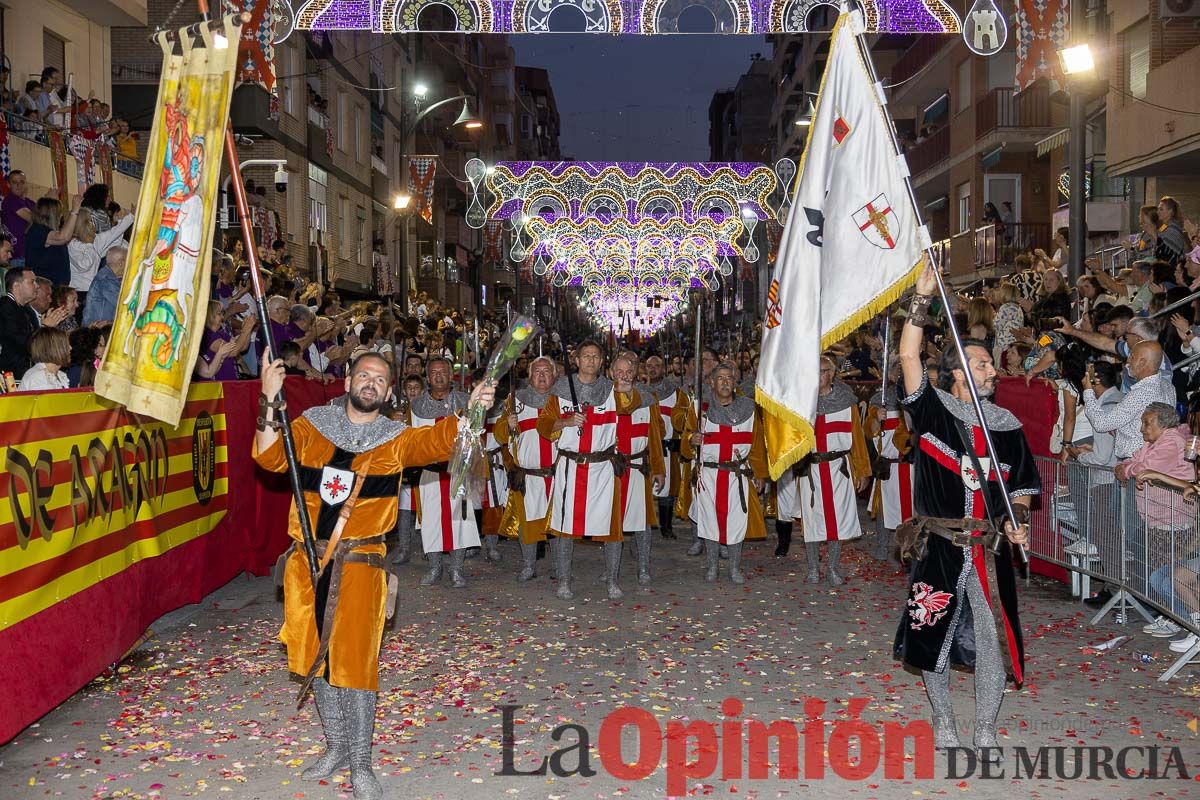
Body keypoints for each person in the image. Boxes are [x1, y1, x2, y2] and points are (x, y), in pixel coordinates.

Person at [254, 350, 494, 800]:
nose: (370, 383)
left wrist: (475, 407)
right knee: (313, 660)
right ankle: (337, 747)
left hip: (362, 566)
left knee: (356, 666)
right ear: (347, 381)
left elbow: (441, 441)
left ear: (388, 393)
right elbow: (268, 458)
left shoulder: (396, 439)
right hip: (307, 564)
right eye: (363, 375)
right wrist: (270, 397)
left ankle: (361, 764)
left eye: (379, 380)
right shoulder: (308, 428)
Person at [894, 264, 1039, 756]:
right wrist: (921, 296)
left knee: (995, 640)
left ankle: (985, 729)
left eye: (992, 365)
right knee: (934, 634)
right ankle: (944, 719)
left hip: (989, 547)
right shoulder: (931, 409)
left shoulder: (1006, 424)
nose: (992, 371)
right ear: (957, 371)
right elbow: (908, 353)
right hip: (938, 546)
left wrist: (1016, 520)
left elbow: (1020, 485)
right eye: (981, 365)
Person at [536, 340, 622, 600]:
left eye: (596, 356)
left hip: (603, 468)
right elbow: (543, 426)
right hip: (570, 467)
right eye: (586, 356)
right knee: (564, 527)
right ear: (576, 359)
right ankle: (563, 581)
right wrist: (566, 421)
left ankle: (612, 581)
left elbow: (630, 406)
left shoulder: (612, 390)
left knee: (611, 527)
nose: (591, 361)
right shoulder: (560, 389)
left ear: (602, 360)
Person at [681, 362, 767, 583]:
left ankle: (734, 568)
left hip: (737, 475)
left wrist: (760, 474)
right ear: (712, 382)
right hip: (709, 475)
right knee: (710, 522)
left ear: (735, 382)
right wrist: (692, 439)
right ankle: (712, 566)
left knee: (737, 522)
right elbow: (685, 439)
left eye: (729, 378)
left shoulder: (749, 408)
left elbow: (756, 444)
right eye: (720, 378)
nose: (725, 382)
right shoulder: (700, 407)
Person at [796, 353, 870, 585]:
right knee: (812, 520)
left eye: (825, 371)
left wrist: (863, 470)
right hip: (812, 469)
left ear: (833, 373)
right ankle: (812, 568)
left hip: (839, 469)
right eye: (817, 371)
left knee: (837, 520)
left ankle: (833, 568)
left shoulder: (847, 402)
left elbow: (857, 439)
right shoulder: (801, 404)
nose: (821, 376)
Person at [408, 356, 476, 588]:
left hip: (458, 470)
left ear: (451, 376)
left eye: (443, 372)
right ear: (428, 378)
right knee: (431, 521)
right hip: (429, 473)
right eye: (434, 373)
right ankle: (435, 567)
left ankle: (457, 569)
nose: (439, 376)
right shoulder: (416, 406)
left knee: (460, 520)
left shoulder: (465, 402)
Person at [496, 356, 559, 581]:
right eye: (537, 372)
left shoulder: (561, 400)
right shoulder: (515, 401)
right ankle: (529, 566)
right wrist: (508, 425)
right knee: (528, 523)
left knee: (557, 523)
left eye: (546, 371)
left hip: (556, 473)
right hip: (528, 475)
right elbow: (499, 435)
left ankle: (560, 567)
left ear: (554, 375)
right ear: (529, 376)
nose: (542, 376)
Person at [610, 352, 666, 587]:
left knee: (641, 521)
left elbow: (656, 435)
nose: (624, 376)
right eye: (619, 371)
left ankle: (643, 567)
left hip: (638, 468)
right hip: (610, 468)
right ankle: (612, 568)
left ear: (635, 374)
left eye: (629, 371)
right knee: (611, 521)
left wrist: (658, 468)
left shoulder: (649, 398)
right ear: (612, 373)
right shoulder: (604, 398)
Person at [866, 367, 913, 564]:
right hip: (888, 467)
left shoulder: (917, 401)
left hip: (911, 466)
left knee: (911, 510)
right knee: (884, 509)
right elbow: (869, 431)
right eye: (899, 374)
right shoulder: (879, 401)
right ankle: (882, 546)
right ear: (892, 376)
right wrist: (877, 419)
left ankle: (909, 548)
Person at [638, 355, 686, 540]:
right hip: (645, 448)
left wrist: (678, 439)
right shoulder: (640, 392)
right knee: (644, 487)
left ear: (663, 368)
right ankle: (646, 523)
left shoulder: (675, 392)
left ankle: (666, 525)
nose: (652, 369)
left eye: (656, 365)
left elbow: (682, 418)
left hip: (667, 445)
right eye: (649, 365)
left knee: (668, 488)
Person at [68, 202, 134, 303]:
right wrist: (90, 245)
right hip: (79, 293)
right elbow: (85, 264)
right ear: (83, 224)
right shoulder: (73, 245)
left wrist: (130, 217)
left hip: (92, 290)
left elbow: (113, 235)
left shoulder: (94, 241)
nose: (93, 224)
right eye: (90, 221)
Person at [0, 267, 56, 376]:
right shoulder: (5, 308)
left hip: (25, 372)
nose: (37, 286)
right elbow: (22, 343)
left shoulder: (27, 310)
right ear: (16, 286)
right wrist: (44, 327)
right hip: (10, 375)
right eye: (32, 282)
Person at [25, 195, 80, 286]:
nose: (61, 216)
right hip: (44, 287)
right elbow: (63, 237)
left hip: (55, 287)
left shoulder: (46, 231)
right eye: (59, 213)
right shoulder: (37, 230)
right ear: (51, 215)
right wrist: (75, 211)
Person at [82, 244, 126, 326]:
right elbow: (124, 304)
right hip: (96, 334)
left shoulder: (107, 276)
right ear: (121, 263)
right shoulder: (106, 279)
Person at [18, 327, 71, 391]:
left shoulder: (60, 375)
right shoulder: (38, 377)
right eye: (66, 345)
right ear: (53, 349)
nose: (70, 348)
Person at [0, 171, 36, 264]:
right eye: (14, 182)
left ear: (26, 184)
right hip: (17, 257)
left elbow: (45, 221)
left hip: (29, 255)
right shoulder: (10, 200)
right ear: (8, 184)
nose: (18, 185)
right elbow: (34, 219)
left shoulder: (30, 203)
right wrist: (47, 205)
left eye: (22, 182)